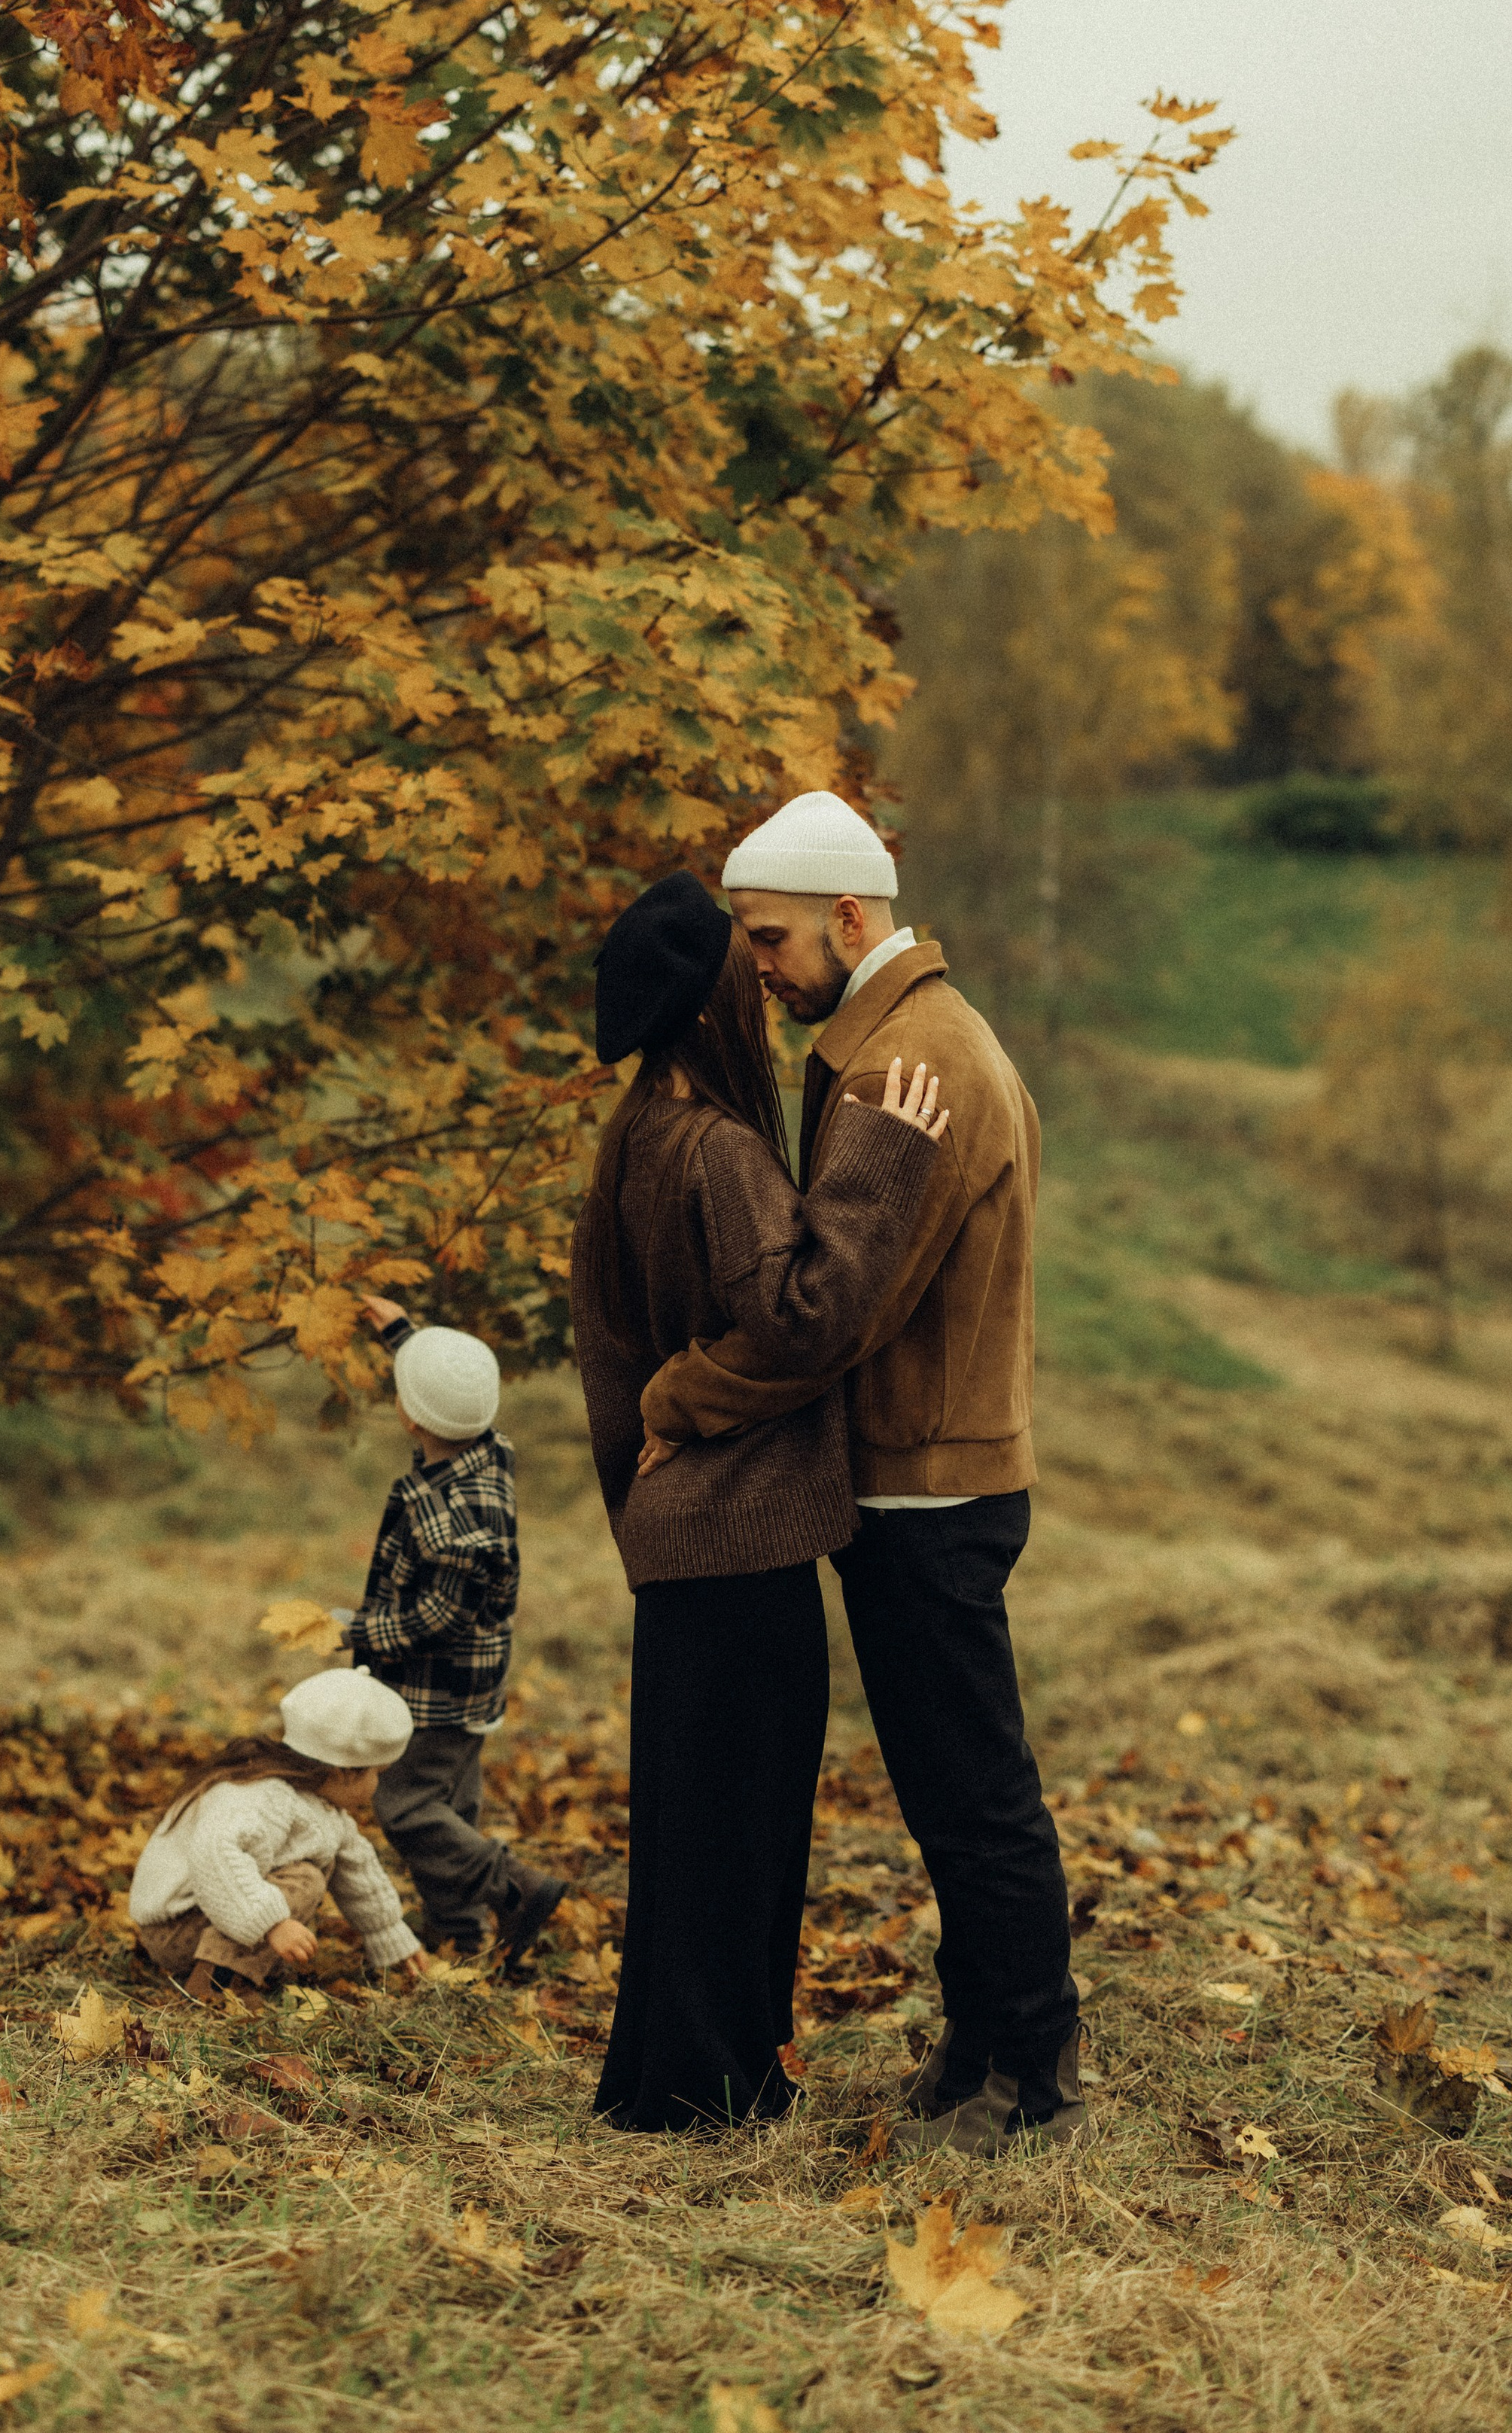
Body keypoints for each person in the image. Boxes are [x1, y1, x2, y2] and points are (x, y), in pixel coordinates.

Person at [637, 791, 1084, 2160]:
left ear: (849, 916)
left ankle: (1035, 2072)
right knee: (949, 1784)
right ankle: (981, 2045)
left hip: (928, 1492)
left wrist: (682, 1398)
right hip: (918, 1478)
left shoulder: (913, 1070)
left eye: (770, 938)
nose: (755, 967)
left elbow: (824, 1308)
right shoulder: (899, 1044)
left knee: (974, 1790)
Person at [572, 866, 949, 2131]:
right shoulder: (720, 1152)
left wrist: (645, 1467)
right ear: (717, 1007)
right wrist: (885, 1160)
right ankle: (721, 2090)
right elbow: (806, 1317)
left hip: (676, 1536)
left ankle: (667, 2079)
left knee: (687, 1824)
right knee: (746, 1827)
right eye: (750, 968)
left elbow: (606, 1351)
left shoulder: (633, 1137)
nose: (768, 983)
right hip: (744, 1542)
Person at [338, 1308, 566, 1969]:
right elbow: (445, 1395)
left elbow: (442, 1617)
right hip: (473, 1689)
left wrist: (359, 1631)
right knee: (451, 1805)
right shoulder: (486, 1450)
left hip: (431, 1692)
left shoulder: (447, 1517)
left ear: (409, 1419)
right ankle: (461, 1930)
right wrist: (402, 1334)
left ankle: (516, 1888)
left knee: (405, 1806)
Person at [129, 1666, 427, 2003]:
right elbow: (215, 1854)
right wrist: (272, 1925)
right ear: (345, 1770)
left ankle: (231, 1967)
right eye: (378, 1774)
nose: (378, 1786)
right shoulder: (264, 1797)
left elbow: (359, 1873)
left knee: (307, 1876)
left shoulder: (323, 1808)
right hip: (174, 1927)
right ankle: (215, 1984)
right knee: (305, 1879)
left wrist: (390, 1936)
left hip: (210, 1917)